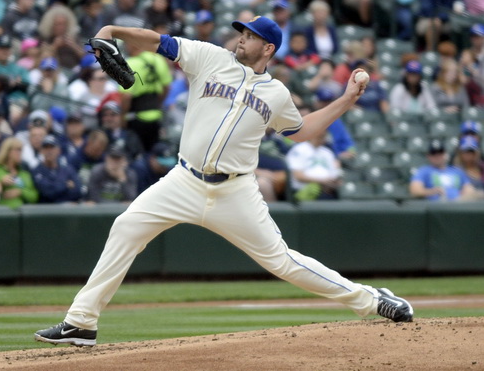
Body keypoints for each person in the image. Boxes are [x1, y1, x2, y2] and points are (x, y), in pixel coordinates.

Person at [34, 18, 414, 347]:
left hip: (235, 191)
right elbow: (156, 41)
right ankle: (82, 323)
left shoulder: (277, 94)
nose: (240, 39)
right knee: (126, 227)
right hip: (183, 181)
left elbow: (300, 132)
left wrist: (347, 99)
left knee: (281, 261)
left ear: (267, 47)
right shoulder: (209, 57)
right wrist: (112, 30)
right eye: (241, 33)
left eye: (248, 35)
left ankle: (370, 300)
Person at [120, 42, 173, 151]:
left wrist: (123, 116)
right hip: (156, 115)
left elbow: (126, 96)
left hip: (137, 116)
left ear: (132, 44)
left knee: (136, 152)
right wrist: (158, 102)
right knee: (154, 151)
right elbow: (167, 87)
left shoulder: (130, 63)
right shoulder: (158, 59)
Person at [409, 139, 475, 201]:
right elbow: (415, 190)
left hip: (458, 205)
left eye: (440, 152)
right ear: (428, 156)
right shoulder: (424, 171)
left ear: (445, 154)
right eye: (433, 153)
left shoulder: (457, 171)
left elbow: (469, 189)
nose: (437, 156)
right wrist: (433, 191)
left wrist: (464, 195)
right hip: (436, 207)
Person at [0, 137, 38, 208]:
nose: (20, 153)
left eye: (21, 150)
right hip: (0, 211)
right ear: (7, 152)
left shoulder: (24, 174)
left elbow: (34, 197)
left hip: (22, 213)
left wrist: (20, 192)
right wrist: (1, 181)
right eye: (18, 150)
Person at [31, 135, 83, 204]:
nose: (49, 151)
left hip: (67, 211)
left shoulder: (67, 169)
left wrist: (56, 187)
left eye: (52, 147)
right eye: (46, 148)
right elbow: (48, 193)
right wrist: (65, 185)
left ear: (59, 150)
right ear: (42, 151)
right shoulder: (37, 171)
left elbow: (77, 191)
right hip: (46, 211)